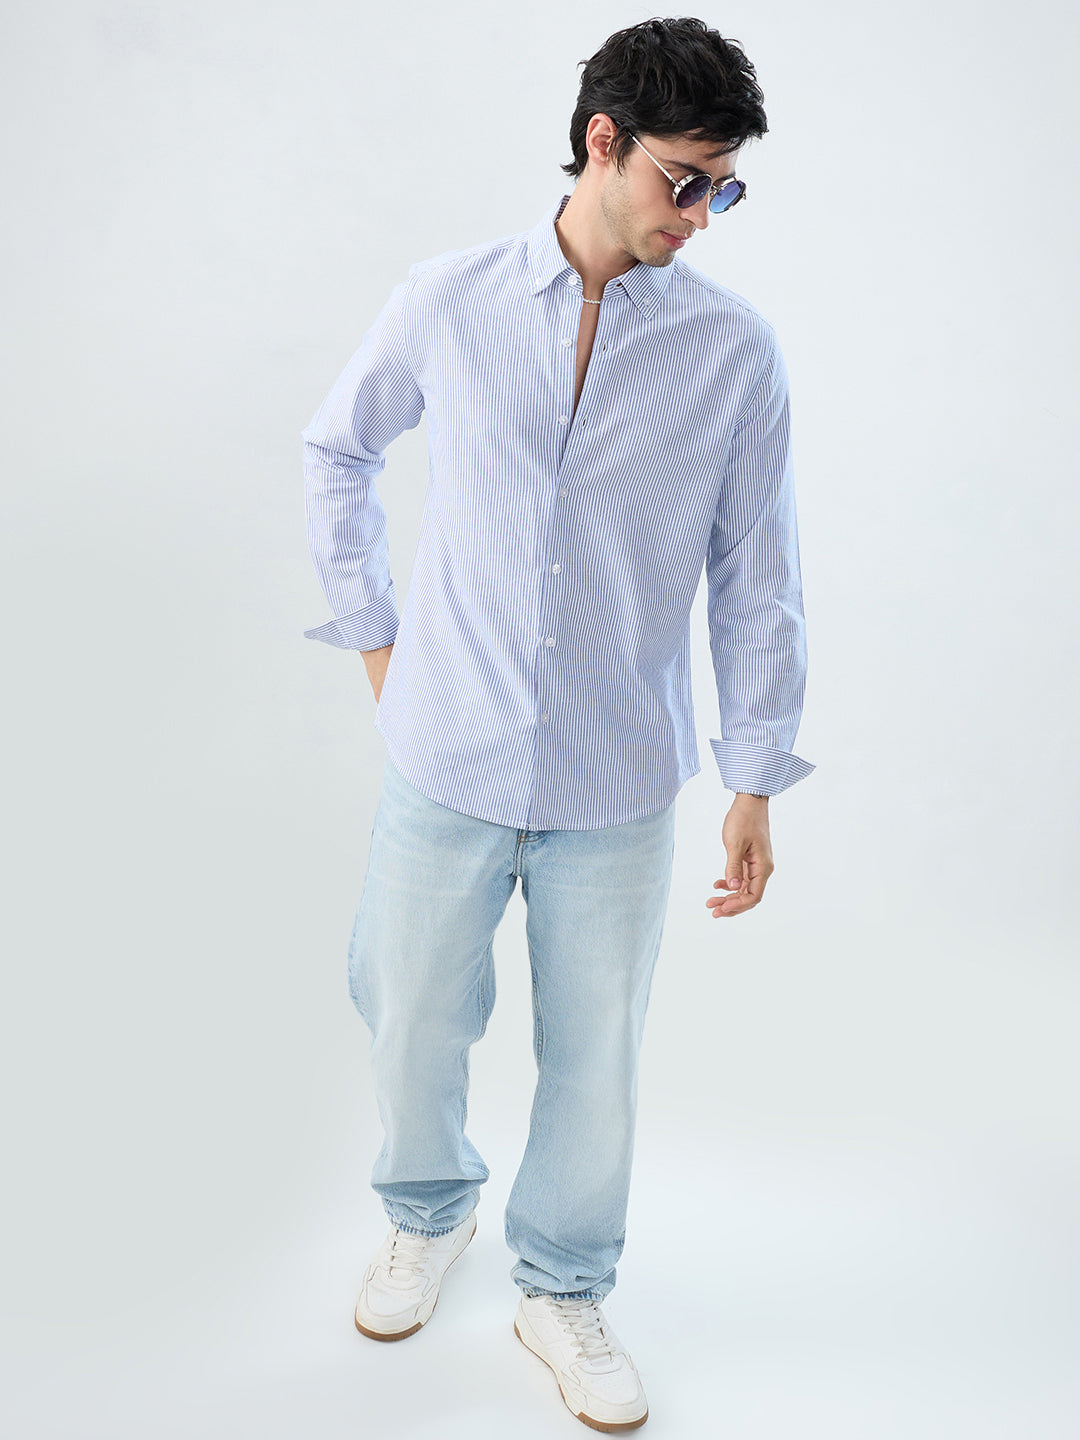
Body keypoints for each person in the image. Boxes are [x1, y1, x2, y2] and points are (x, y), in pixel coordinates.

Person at [301, 15, 815, 1431]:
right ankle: (427, 1210)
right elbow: (339, 449)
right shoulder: (451, 298)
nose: (699, 215)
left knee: (598, 1054)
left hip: (618, 770)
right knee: (405, 1008)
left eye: (724, 190)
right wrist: (379, 644)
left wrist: (755, 777)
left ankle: (566, 1283)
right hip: (445, 748)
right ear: (603, 141)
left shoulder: (733, 351)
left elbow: (756, 573)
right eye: (684, 179)